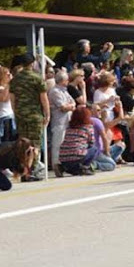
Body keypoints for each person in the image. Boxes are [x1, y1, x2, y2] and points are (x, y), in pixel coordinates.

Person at [9, 53, 50, 181]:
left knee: (23, 144)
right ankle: (31, 171)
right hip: (34, 115)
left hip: (21, 115)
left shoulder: (14, 79)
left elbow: (12, 100)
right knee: (35, 144)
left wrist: (16, 113)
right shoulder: (37, 78)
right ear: (32, 64)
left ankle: (23, 170)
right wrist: (47, 114)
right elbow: (44, 98)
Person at [48, 71, 76, 175]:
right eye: (67, 79)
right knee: (57, 144)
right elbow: (63, 107)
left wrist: (71, 106)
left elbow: (73, 102)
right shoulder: (55, 91)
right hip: (59, 121)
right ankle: (56, 165)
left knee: (64, 144)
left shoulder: (65, 91)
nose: (68, 81)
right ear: (62, 80)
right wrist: (70, 106)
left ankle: (64, 164)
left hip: (67, 121)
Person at [58, 106, 97, 176]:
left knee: (72, 165)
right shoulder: (88, 127)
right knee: (94, 149)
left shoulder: (69, 128)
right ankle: (85, 167)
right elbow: (92, 142)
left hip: (63, 157)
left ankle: (62, 167)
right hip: (78, 157)